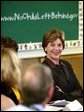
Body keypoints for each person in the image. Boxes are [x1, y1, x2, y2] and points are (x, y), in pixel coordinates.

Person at [41, 29, 83, 102]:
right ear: (45, 47)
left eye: (59, 45)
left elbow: (79, 90)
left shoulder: (66, 64)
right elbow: (56, 96)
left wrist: (65, 95)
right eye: (52, 45)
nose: (56, 49)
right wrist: (72, 96)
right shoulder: (42, 69)